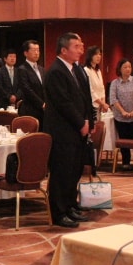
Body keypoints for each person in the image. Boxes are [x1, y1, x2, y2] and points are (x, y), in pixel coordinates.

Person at [43, 32, 94, 228]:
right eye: (76, 47)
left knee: (74, 170)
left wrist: (88, 121)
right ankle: (58, 212)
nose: (80, 50)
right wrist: (81, 123)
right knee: (61, 172)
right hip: (62, 131)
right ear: (64, 50)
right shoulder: (56, 71)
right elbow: (63, 103)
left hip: (76, 129)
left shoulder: (76, 69)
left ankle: (70, 205)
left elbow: (84, 98)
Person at [108, 59, 133, 171]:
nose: (128, 69)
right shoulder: (115, 83)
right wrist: (122, 111)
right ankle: (125, 161)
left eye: (129, 67)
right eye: (125, 67)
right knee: (124, 139)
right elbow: (113, 99)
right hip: (121, 117)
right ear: (120, 69)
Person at [17, 40, 45, 129]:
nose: (36, 53)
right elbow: (27, 89)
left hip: (42, 111)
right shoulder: (22, 69)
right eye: (33, 50)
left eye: (38, 50)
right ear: (25, 53)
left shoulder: (41, 69)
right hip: (30, 110)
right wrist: (41, 104)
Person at [83, 45, 109, 120]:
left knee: (99, 124)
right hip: (92, 105)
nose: (99, 56)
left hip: (100, 105)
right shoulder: (86, 70)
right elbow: (90, 90)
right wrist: (102, 103)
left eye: (100, 54)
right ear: (90, 56)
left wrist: (103, 103)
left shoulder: (98, 71)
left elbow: (102, 88)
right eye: (96, 54)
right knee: (94, 125)